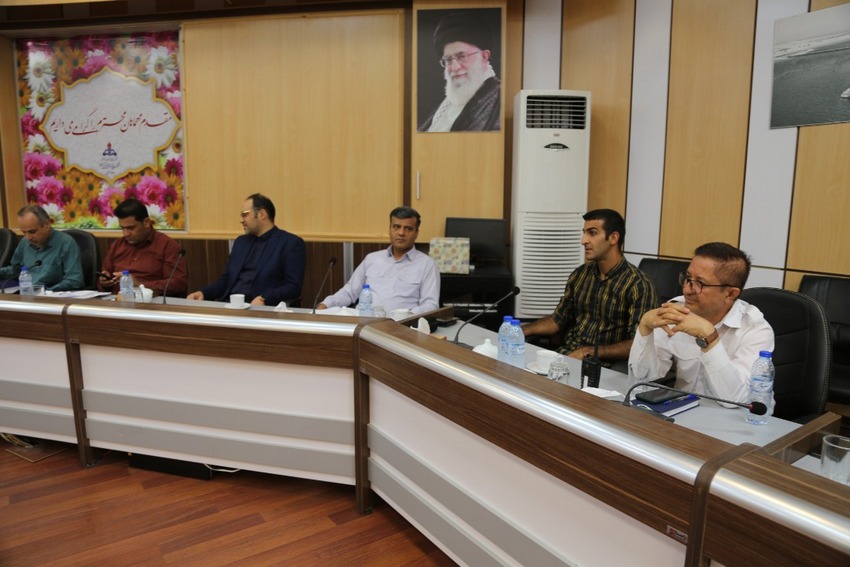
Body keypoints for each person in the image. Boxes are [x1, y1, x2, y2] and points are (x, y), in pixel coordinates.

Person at [628, 242, 774, 405]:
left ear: (730, 294)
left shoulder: (755, 329)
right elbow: (642, 378)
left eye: (700, 283)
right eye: (688, 278)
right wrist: (645, 328)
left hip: (736, 417)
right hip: (683, 409)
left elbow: (736, 400)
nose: (687, 290)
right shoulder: (677, 310)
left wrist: (709, 337)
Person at [522, 209, 657, 367]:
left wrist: (588, 351)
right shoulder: (580, 274)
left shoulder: (638, 285)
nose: (583, 240)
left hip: (602, 367)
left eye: (592, 233)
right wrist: (520, 330)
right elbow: (557, 320)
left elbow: (639, 344)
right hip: (565, 357)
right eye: (584, 233)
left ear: (613, 238)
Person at [187, 194, 305, 306]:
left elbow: (293, 287)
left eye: (245, 215)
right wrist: (203, 293)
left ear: (261, 214)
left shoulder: (290, 243)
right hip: (230, 305)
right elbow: (226, 280)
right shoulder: (241, 242)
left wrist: (264, 298)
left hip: (260, 308)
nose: (241, 220)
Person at [318, 206, 440, 314]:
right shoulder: (372, 259)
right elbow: (349, 292)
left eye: (408, 228)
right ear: (389, 229)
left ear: (416, 233)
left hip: (401, 326)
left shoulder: (427, 264)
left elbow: (431, 304)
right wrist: (326, 304)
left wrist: (407, 316)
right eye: (396, 227)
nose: (401, 233)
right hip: (364, 324)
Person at [418, 12, 501, 132]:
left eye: (462, 56)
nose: (454, 67)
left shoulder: (498, 99)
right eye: (448, 60)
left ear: (484, 57)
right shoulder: (449, 103)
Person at [98, 199, 187, 297]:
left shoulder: (167, 245)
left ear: (146, 222)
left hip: (151, 302)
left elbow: (178, 284)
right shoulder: (117, 245)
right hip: (117, 301)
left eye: (131, 228)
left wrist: (140, 285)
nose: (126, 234)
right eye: (122, 228)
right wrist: (105, 283)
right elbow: (105, 278)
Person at [0, 205, 83, 291]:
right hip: (26, 292)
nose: (28, 237)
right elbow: (15, 270)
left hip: (52, 294)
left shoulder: (66, 243)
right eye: (24, 232)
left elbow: (75, 280)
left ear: (47, 224)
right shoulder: (25, 242)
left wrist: (47, 291)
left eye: (32, 232)